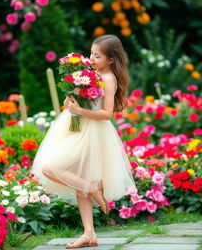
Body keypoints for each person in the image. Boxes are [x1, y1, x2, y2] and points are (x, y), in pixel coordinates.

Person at [32, 34, 136, 248]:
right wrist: (72, 96)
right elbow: (76, 99)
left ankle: (91, 189)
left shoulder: (108, 78)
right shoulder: (90, 73)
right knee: (68, 174)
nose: (91, 58)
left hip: (94, 132)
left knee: (51, 168)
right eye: (91, 53)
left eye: (97, 56)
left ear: (110, 60)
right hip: (75, 127)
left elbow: (107, 113)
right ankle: (89, 234)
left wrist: (79, 109)